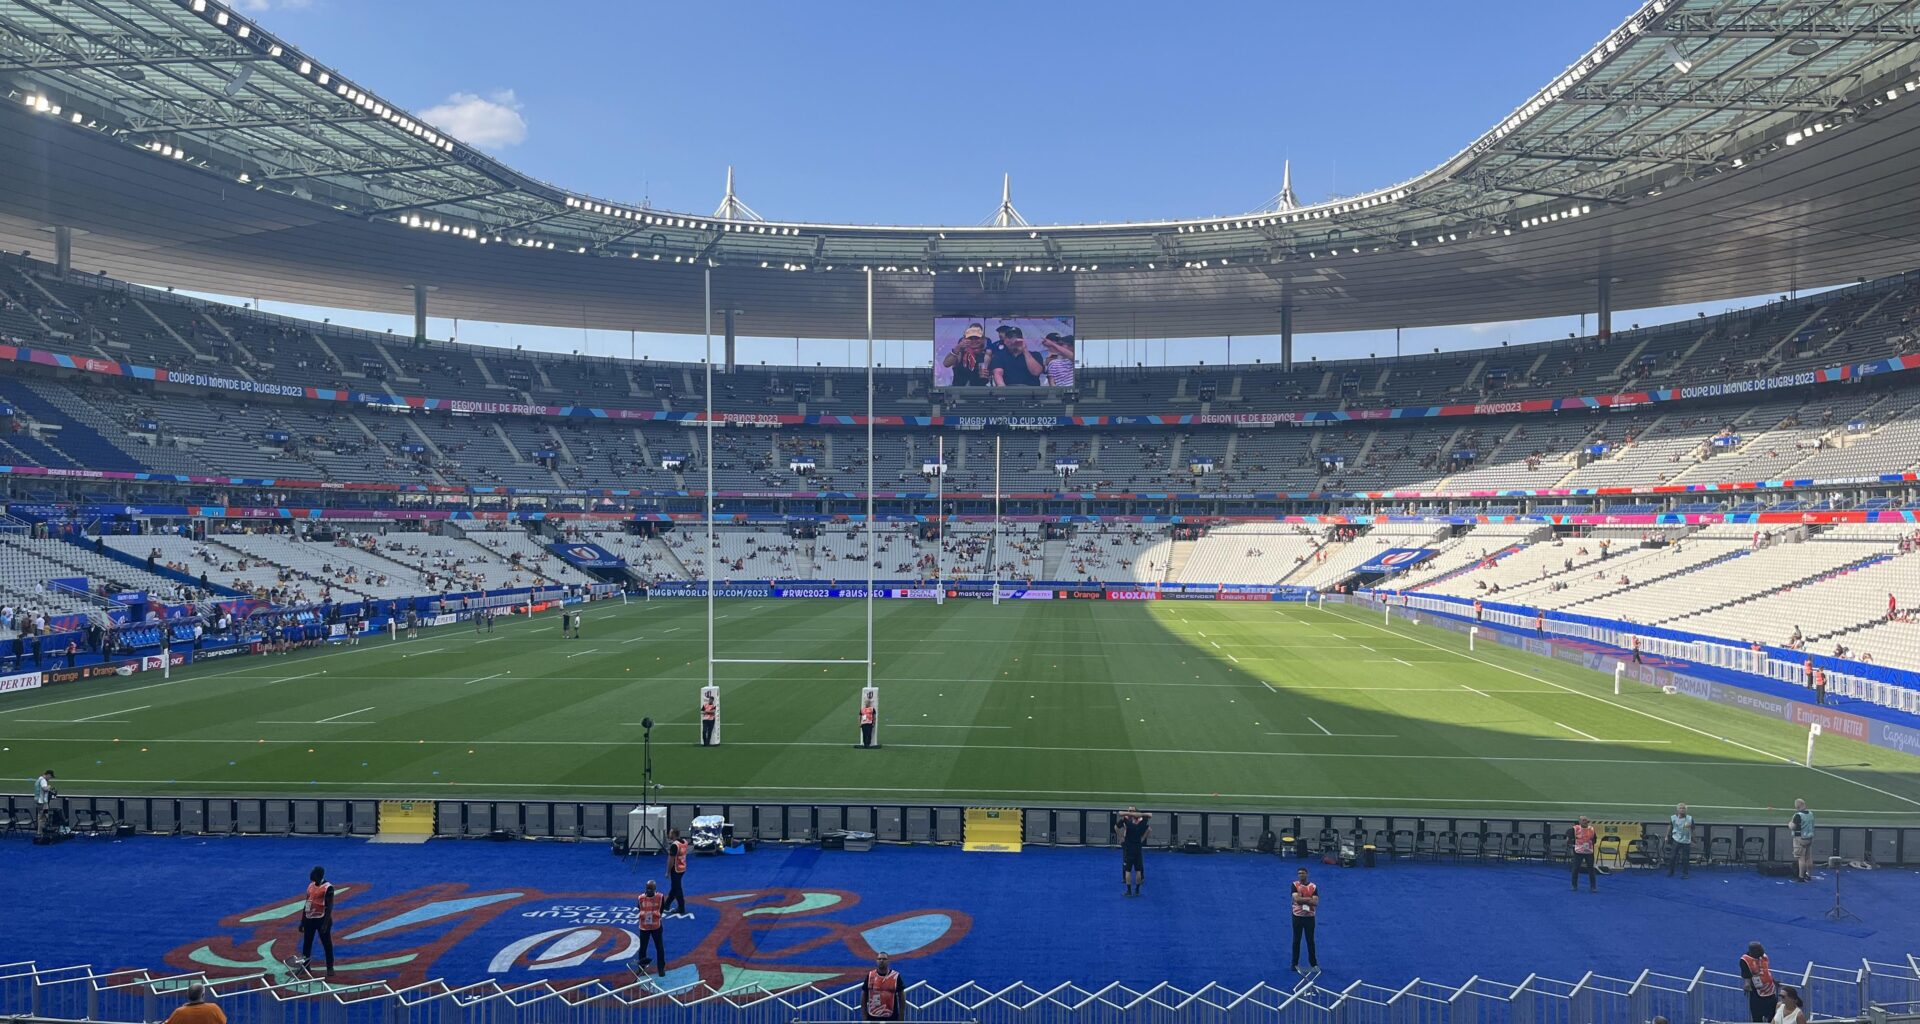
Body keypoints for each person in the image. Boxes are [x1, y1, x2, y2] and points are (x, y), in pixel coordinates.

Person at [299, 865, 336, 977]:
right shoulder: (310, 886)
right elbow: (307, 903)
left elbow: (329, 906)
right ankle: (305, 967)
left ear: (318, 875)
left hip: (322, 919)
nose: (310, 875)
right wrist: (302, 921)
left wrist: (325, 924)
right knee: (307, 944)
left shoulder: (328, 887)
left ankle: (330, 967)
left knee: (327, 944)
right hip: (310, 919)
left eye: (312, 873)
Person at [1289, 867, 1319, 974]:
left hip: (1310, 917)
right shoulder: (1294, 885)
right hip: (1297, 916)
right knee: (1296, 940)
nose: (1301, 875)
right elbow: (1296, 899)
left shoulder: (1313, 886)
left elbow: (1315, 902)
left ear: (1307, 874)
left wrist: (1303, 900)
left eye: (1303, 873)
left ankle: (1314, 964)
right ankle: (1294, 963)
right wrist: (1309, 899)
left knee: (1310, 941)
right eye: (1299, 873)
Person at [634, 879, 667, 976]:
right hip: (644, 927)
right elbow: (640, 908)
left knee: (659, 948)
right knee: (643, 949)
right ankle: (641, 968)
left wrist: (655, 916)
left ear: (655, 889)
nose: (649, 890)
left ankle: (661, 968)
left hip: (656, 926)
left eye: (651, 889)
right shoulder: (640, 898)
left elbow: (661, 910)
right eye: (648, 888)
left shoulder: (660, 897)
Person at [1740, 943, 1779, 1023]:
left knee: (1773, 1016)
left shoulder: (1763, 956)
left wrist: (1773, 981)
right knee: (1757, 1018)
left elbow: (1766, 971)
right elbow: (1746, 975)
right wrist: (1747, 984)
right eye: (1758, 950)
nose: (1761, 952)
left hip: (1771, 991)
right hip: (1757, 994)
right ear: (1752, 951)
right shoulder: (1745, 960)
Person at [1116, 806, 1149, 897]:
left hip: (1129, 847)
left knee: (1128, 870)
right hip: (1137, 847)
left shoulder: (1127, 822)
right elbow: (1149, 818)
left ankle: (1129, 891)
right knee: (1138, 869)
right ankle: (1137, 890)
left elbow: (1120, 814)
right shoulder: (1141, 822)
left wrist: (1121, 838)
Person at [861, 952, 905, 1021]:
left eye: (884, 959)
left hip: (891, 1017)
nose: (881, 961)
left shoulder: (895, 976)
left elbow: (901, 997)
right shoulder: (870, 975)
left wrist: (901, 1016)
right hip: (873, 1016)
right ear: (876, 961)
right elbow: (864, 996)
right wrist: (864, 1016)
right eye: (879, 959)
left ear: (888, 961)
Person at [664, 828, 691, 919]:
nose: (668, 834)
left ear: (674, 834)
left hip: (676, 869)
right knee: (674, 887)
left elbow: (671, 860)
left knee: (677, 888)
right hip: (682, 867)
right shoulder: (684, 842)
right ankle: (666, 905)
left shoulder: (674, 845)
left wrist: (668, 872)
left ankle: (681, 907)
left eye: (670, 833)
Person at [1569, 816, 1598, 892]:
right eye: (1584, 820)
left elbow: (1595, 840)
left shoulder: (1591, 829)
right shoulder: (1575, 829)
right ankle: (1574, 885)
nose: (1586, 821)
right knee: (1575, 869)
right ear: (1580, 822)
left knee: (1591, 869)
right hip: (1578, 852)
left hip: (1589, 852)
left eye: (1586, 820)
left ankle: (1593, 887)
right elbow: (1569, 837)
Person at [1789, 799, 1815, 882]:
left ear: (1797, 807)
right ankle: (1809, 875)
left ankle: (1801, 876)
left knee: (1801, 858)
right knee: (1809, 858)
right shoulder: (1811, 814)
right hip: (1809, 838)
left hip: (1800, 839)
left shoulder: (1798, 815)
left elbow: (1793, 827)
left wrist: (1789, 824)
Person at [1667, 803, 1694, 878]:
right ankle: (1671, 871)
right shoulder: (1673, 818)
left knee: (1685, 858)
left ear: (1686, 810)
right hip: (1676, 839)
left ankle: (1685, 873)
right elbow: (1670, 826)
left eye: (1683, 808)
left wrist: (1693, 840)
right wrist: (1666, 836)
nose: (1682, 810)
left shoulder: (1689, 818)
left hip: (1686, 840)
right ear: (1677, 809)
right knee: (1672, 857)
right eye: (1680, 808)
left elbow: (1690, 830)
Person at [33, 768, 55, 841]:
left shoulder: (39, 779)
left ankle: (40, 832)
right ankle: (41, 833)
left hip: (39, 802)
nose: (50, 779)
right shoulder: (43, 780)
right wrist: (49, 787)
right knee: (44, 817)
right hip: (42, 802)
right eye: (50, 777)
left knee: (41, 816)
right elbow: (45, 789)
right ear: (48, 775)